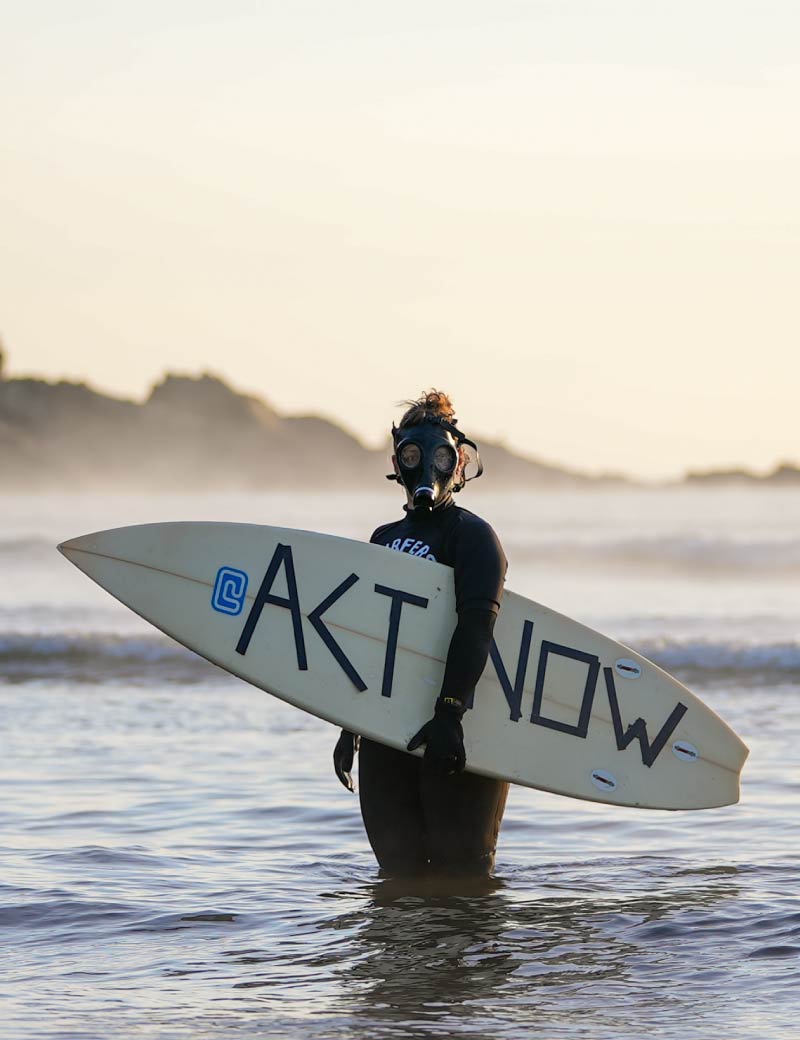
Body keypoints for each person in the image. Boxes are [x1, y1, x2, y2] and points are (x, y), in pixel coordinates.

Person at [333, 390, 510, 877]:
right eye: (412, 455)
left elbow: (477, 625)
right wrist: (348, 723)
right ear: (397, 463)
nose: (425, 467)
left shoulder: (472, 536)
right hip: (386, 731)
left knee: (465, 881)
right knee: (395, 877)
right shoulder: (382, 539)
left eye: (440, 457)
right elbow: (370, 637)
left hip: (458, 726)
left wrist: (450, 714)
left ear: (459, 464)